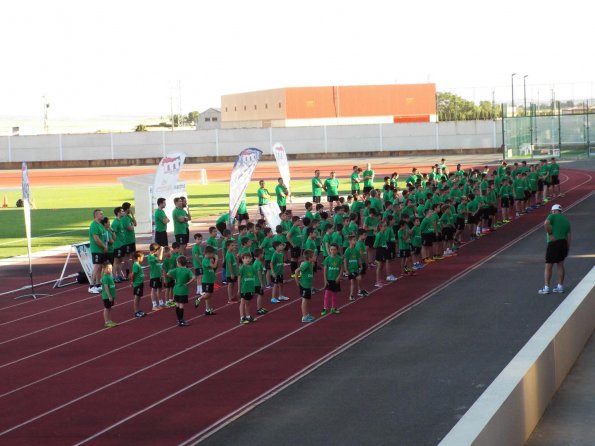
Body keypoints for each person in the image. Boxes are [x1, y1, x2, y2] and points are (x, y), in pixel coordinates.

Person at [538, 204, 571, 294]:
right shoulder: (565, 220)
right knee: (560, 264)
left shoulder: (552, 216)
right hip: (563, 243)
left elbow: (546, 223)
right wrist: (567, 247)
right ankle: (560, 286)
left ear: (554, 210)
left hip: (554, 243)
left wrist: (550, 233)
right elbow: (569, 235)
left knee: (549, 265)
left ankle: (546, 287)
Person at [167, 255, 195, 326]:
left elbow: (168, 274)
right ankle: (181, 320)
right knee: (181, 305)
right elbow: (193, 277)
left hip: (176, 289)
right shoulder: (187, 270)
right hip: (183, 290)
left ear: (179, 263)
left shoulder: (176, 270)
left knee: (177, 304)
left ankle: (178, 319)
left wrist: (174, 278)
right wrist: (188, 283)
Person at [89, 209, 107, 294]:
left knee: (100, 267)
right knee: (97, 266)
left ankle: (98, 284)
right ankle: (91, 286)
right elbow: (96, 239)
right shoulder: (94, 225)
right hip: (96, 249)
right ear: (96, 215)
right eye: (101, 214)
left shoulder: (100, 225)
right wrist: (104, 247)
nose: (102, 215)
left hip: (101, 249)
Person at [195, 245, 217, 315]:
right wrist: (216, 259)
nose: (214, 255)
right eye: (213, 254)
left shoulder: (208, 260)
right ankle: (199, 299)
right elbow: (214, 266)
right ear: (208, 253)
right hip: (206, 280)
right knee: (207, 294)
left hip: (210, 280)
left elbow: (212, 268)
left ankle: (207, 309)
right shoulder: (205, 260)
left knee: (209, 295)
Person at [322, 243, 343, 315]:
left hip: (336, 280)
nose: (332, 251)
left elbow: (341, 269)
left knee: (334, 295)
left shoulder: (339, 259)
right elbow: (325, 269)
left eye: (334, 250)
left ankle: (334, 308)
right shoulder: (327, 259)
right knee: (327, 295)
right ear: (329, 250)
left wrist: (339, 277)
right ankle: (325, 308)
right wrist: (325, 279)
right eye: (331, 250)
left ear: (337, 250)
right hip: (329, 279)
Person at [296, 249, 316, 322]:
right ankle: (304, 317)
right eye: (314, 256)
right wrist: (297, 282)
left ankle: (306, 314)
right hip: (304, 285)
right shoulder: (306, 264)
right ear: (310, 258)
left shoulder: (310, 264)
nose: (315, 257)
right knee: (304, 300)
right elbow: (297, 271)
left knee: (306, 300)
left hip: (307, 285)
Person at [237, 252, 257, 324]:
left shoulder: (252, 267)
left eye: (249, 258)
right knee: (242, 303)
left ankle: (248, 316)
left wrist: (254, 286)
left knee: (248, 303)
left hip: (250, 288)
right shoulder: (242, 268)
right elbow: (239, 278)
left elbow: (254, 277)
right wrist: (239, 289)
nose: (247, 259)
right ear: (242, 259)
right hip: (244, 288)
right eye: (245, 258)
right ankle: (242, 317)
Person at [121, 202, 137, 277]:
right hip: (127, 241)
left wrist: (132, 215)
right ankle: (127, 272)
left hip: (132, 240)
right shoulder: (124, 218)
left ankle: (134, 270)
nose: (131, 209)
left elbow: (135, 223)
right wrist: (132, 226)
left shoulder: (128, 216)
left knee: (134, 255)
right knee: (127, 257)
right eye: (130, 208)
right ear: (127, 209)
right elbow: (130, 228)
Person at [147, 243, 164, 310]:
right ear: (155, 250)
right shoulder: (150, 256)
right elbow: (160, 259)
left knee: (159, 289)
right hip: (154, 276)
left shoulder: (154, 255)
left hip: (159, 275)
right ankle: (154, 305)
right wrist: (161, 250)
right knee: (153, 290)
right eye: (158, 250)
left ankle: (160, 303)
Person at [100, 263, 118, 328]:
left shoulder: (109, 276)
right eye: (108, 268)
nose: (110, 270)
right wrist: (109, 296)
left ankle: (109, 320)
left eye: (111, 268)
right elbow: (106, 287)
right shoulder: (105, 277)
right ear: (104, 269)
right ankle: (106, 322)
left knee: (109, 308)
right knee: (107, 308)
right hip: (107, 296)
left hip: (111, 296)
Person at [131, 251, 146, 318]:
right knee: (137, 298)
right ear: (138, 258)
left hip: (140, 283)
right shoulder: (135, 265)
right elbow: (133, 274)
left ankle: (138, 310)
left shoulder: (137, 264)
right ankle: (136, 311)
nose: (143, 258)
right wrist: (132, 282)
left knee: (139, 297)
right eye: (142, 257)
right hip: (137, 284)